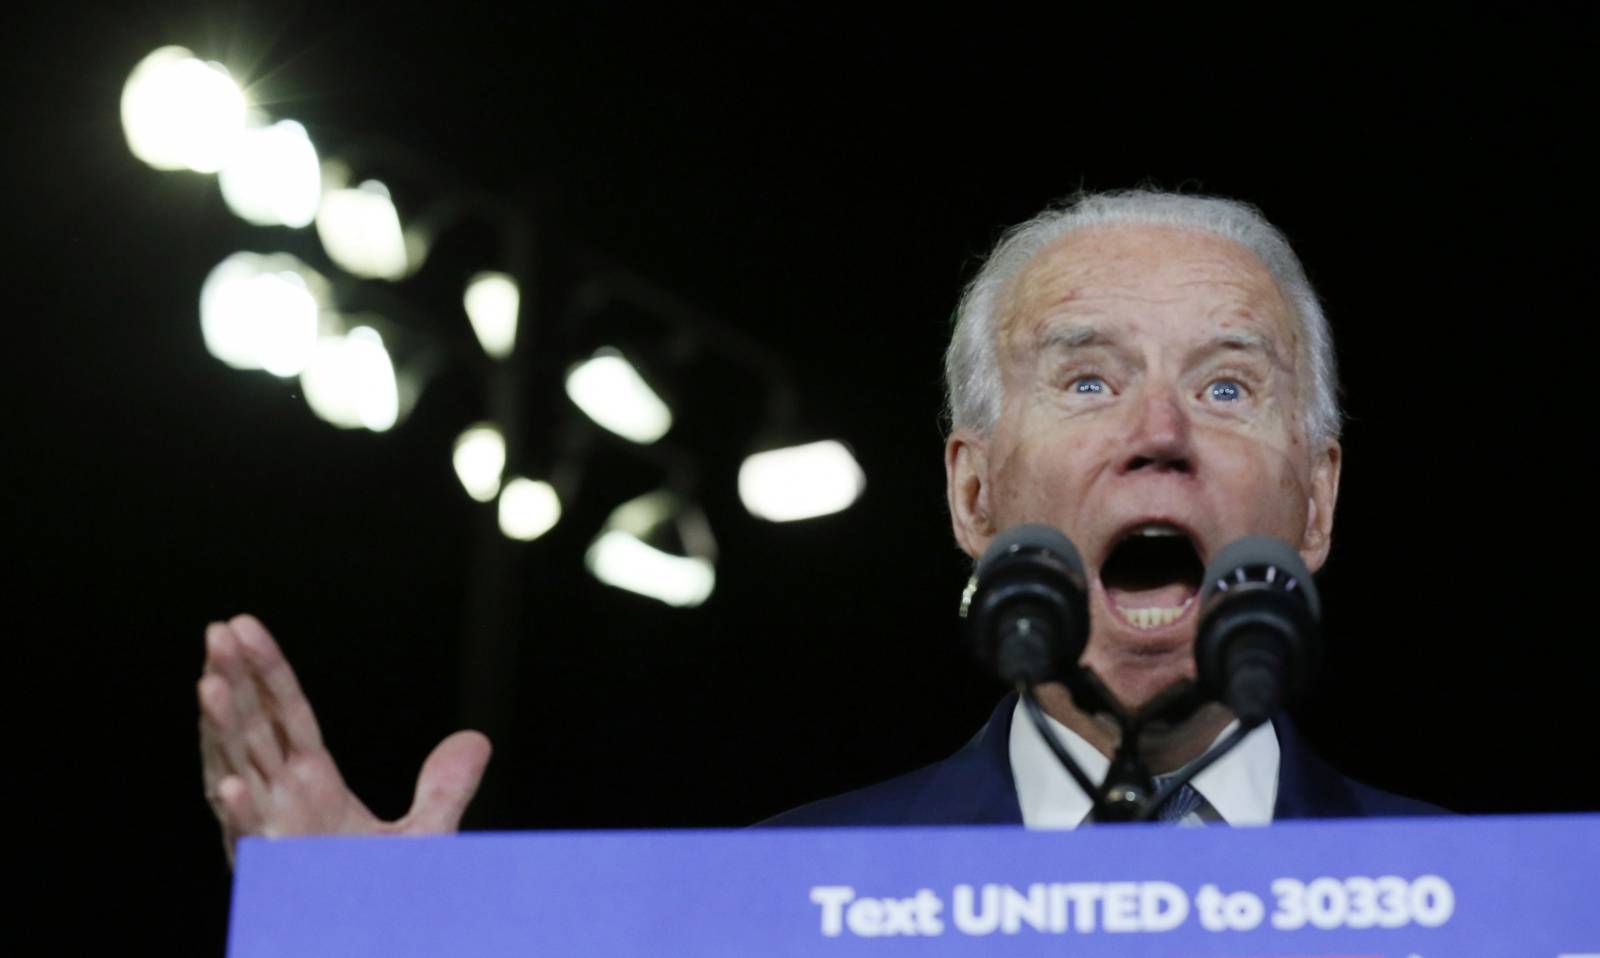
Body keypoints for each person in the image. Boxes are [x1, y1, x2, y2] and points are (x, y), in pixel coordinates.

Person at [197, 190, 1434, 859]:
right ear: (971, 492)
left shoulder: (1507, 918)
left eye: (1226, 387)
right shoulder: (781, 899)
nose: (1157, 431)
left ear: (1314, 502)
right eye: (1087, 380)